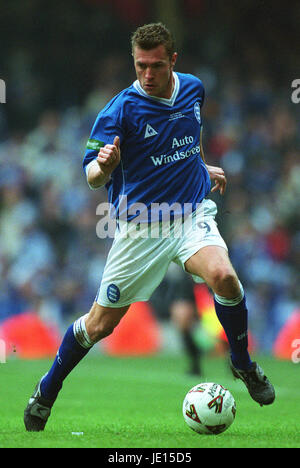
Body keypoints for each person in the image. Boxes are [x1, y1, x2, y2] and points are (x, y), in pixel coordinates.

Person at [24, 23, 275, 431]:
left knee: (225, 277)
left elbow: (185, 143)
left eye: (156, 65)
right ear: (134, 62)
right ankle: (48, 388)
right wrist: (103, 167)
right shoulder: (120, 109)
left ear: (172, 61)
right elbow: (90, 175)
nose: (147, 74)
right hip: (141, 228)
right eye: (140, 65)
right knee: (99, 325)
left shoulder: (194, 88)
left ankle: (242, 363)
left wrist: (200, 167)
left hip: (192, 214)